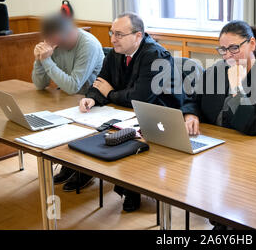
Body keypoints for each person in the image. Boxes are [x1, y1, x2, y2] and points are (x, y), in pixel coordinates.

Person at [181, 20, 256, 229]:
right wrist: (190, 115)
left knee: (237, 203)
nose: (228, 56)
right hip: (220, 147)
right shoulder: (215, 71)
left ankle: (230, 220)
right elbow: (192, 99)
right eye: (223, 49)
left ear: (251, 44)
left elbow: (255, 126)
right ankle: (221, 216)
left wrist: (238, 89)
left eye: (234, 48)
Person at [80, 12, 183, 212]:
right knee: (93, 128)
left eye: (119, 34)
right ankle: (85, 172)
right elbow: (101, 80)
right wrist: (92, 97)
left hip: (160, 117)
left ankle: (132, 188)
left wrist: (110, 93)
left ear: (138, 36)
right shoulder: (116, 52)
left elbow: (141, 97)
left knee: (125, 136)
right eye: (112, 33)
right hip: (126, 112)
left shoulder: (155, 55)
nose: (112, 39)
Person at [32, 14, 104, 191]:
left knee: (70, 119)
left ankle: (85, 169)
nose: (52, 43)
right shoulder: (54, 42)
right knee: (48, 115)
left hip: (94, 100)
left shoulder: (88, 45)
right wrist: (39, 59)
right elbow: (39, 84)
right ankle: (68, 164)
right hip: (68, 100)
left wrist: (47, 60)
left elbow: (73, 86)